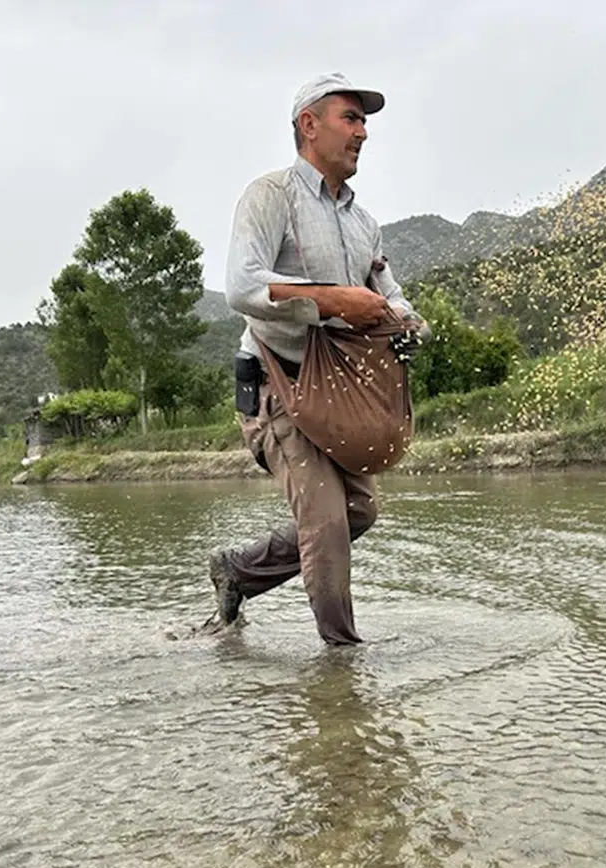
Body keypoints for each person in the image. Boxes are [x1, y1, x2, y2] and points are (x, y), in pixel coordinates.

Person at [207, 72, 417, 646]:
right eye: (350, 119)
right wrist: (332, 299)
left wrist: (407, 323)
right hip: (277, 383)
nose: (363, 133)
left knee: (359, 513)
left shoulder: (362, 222)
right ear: (309, 125)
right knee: (324, 524)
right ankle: (343, 667)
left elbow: (390, 294)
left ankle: (239, 570)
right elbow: (242, 287)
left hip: (338, 395)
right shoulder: (270, 196)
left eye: (365, 122)